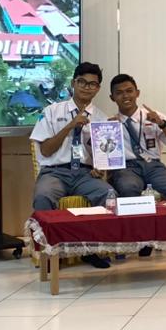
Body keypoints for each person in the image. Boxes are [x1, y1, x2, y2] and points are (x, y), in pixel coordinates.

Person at [30, 61, 116, 269]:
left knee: (109, 195)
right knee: (43, 196)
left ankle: (92, 250)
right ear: (73, 83)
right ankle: (50, 253)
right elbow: (46, 150)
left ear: (98, 88)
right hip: (55, 172)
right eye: (82, 82)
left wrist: (101, 167)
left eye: (92, 84)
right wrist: (70, 126)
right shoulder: (52, 111)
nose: (87, 87)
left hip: (85, 175)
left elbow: (105, 155)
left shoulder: (101, 118)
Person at [108, 74, 166, 257]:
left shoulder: (155, 117)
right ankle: (139, 238)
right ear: (112, 97)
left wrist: (162, 125)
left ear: (137, 93)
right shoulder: (109, 124)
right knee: (128, 189)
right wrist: (105, 134)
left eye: (129, 91)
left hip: (153, 166)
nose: (125, 96)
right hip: (127, 168)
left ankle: (161, 234)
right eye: (119, 93)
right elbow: (104, 155)